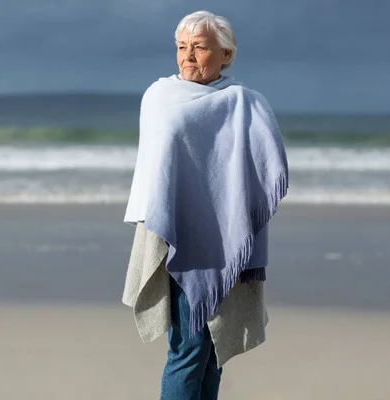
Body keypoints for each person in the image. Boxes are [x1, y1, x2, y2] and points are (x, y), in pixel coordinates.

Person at [122, 10, 289, 400]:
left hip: (227, 237)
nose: (188, 56)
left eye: (199, 47)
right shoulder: (161, 97)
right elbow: (159, 172)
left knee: (215, 349)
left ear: (226, 54)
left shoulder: (246, 103)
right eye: (182, 47)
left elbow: (264, 166)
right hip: (179, 238)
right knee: (189, 348)